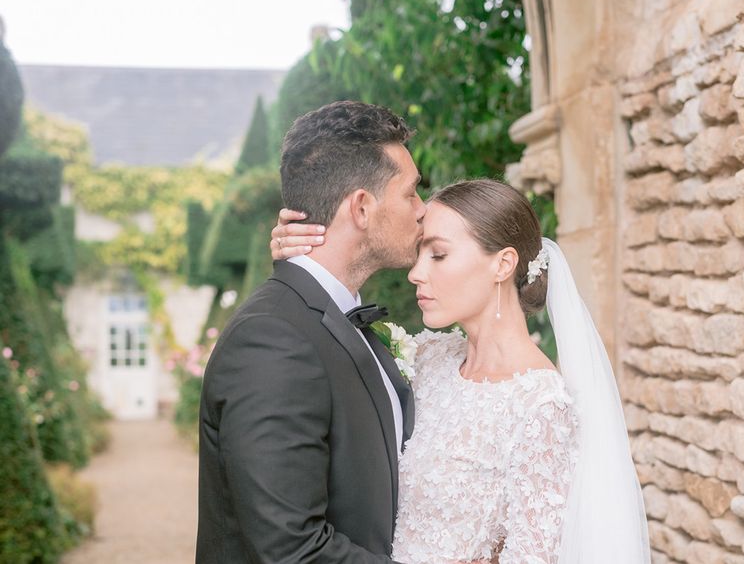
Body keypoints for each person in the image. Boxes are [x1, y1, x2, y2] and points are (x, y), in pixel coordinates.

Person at [272, 178, 651, 563]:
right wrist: (306, 264)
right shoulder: (428, 357)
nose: (415, 273)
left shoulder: (540, 406)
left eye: (437, 255)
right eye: (420, 254)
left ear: (503, 264)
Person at [196, 101, 426, 563]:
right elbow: (291, 549)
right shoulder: (271, 341)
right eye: (411, 193)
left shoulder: (337, 320)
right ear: (361, 207)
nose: (423, 210)